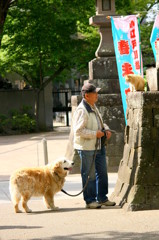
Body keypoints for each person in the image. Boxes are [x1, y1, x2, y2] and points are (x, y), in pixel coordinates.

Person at [72, 83, 116, 209]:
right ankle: (90, 200)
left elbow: (100, 123)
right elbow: (78, 131)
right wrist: (95, 134)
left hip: (98, 145)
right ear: (87, 95)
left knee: (102, 172)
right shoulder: (82, 109)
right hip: (86, 147)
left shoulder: (93, 106)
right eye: (95, 93)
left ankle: (102, 198)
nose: (97, 95)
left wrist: (106, 129)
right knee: (89, 174)